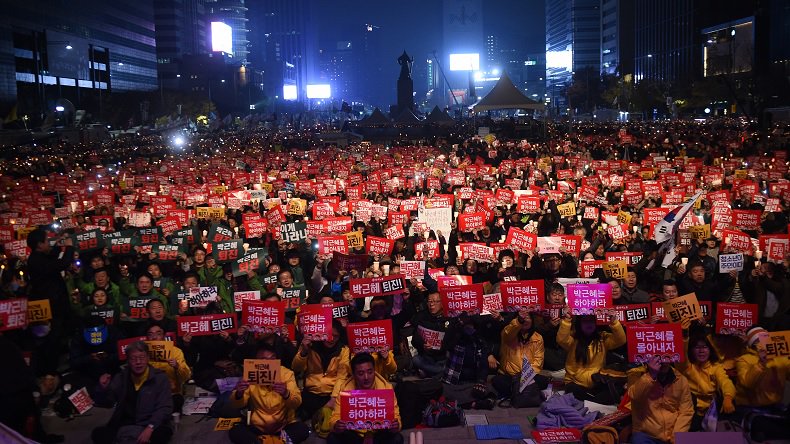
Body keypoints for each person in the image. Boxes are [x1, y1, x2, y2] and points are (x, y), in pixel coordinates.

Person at [92, 341, 173, 444]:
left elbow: (165, 407)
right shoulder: (120, 377)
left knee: (162, 434)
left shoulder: (160, 378)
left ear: (148, 358)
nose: (138, 362)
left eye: (142, 357)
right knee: (98, 434)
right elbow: (108, 403)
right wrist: (103, 389)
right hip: (126, 423)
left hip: (151, 424)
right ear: (128, 361)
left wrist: (150, 428)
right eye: (133, 359)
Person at [228, 343, 309, 444]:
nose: (269, 363)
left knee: (303, 429)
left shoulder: (286, 374)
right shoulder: (250, 373)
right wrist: (238, 394)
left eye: (272, 359)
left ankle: (266, 441)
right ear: (256, 362)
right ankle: (275, 442)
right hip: (257, 427)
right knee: (235, 431)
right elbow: (236, 404)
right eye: (263, 359)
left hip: (282, 426)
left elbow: (297, 403)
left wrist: (285, 393)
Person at [327, 353, 402, 444]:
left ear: (374, 371)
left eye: (370, 372)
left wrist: (395, 426)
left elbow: (396, 416)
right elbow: (335, 416)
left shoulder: (386, 388)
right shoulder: (345, 390)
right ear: (354, 375)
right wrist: (336, 425)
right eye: (361, 373)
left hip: (377, 433)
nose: (366, 377)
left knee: (397, 438)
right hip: (355, 434)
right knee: (332, 438)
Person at [556, 312, 626, 404]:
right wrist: (567, 319)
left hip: (597, 382)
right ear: (579, 323)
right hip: (575, 383)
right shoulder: (573, 339)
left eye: (591, 321)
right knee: (573, 391)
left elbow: (621, 340)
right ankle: (595, 402)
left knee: (615, 389)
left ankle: (591, 401)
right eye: (585, 321)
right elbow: (561, 339)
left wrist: (614, 322)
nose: (589, 324)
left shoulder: (603, 338)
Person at [674, 332, 735, 430]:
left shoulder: (715, 367)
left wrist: (728, 397)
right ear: (691, 350)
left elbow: (725, 382)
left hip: (710, 411)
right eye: (697, 347)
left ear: (710, 350)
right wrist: (684, 337)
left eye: (705, 347)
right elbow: (681, 358)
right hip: (688, 411)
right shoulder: (687, 367)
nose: (701, 351)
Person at [628, 355, 694, 444]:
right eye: (657, 356)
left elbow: (686, 412)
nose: (661, 360)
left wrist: (676, 438)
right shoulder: (635, 374)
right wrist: (651, 375)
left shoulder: (681, 380)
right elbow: (635, 396)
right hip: (646, 435)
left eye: (665, 356)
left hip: (672, 435)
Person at [292, 321, 350, 420]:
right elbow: (296, 367)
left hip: (330, 394)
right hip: (310, 392)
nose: (332, 339)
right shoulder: (310, 345)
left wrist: (334, 398)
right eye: (329, 335)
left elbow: (342, 377)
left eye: (335, 336)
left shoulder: (344, 350)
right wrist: (304, 352)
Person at [492, 308, 546, 406]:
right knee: (497, 381)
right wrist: (519, 320)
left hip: (529, 376)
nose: (525, 320)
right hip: (510, 375)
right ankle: (524, 392)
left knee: (543, 381)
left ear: (532, 320)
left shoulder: (538, 337)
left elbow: (538, 360)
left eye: (528, 317)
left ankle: (516, 393)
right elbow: (510, 332)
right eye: (522, 317)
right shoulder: (507, 333)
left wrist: (526, 377)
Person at [734, 326, 790, 409]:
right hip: (750, 408)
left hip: (775, 406)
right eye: (758, 341)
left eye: (765, 339)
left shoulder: (780, 358)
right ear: (753, 344)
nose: (763, 343)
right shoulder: (744, 359)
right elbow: (747, 384)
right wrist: (761, 363)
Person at [145, 321, 191, 414]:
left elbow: (186, 376)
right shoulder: (142, 353)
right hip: (150, 393)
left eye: (158, 334)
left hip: (172, 393)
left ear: (164, 336)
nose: (154, 337)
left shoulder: (176, 351)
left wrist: (177, 366)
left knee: (176, 401)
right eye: (150, 334)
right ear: (147, 337)